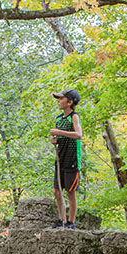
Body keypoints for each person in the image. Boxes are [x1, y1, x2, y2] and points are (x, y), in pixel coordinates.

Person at [49, 89, 83, 229]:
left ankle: (71, 221)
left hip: (72, 159)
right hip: (60, 158)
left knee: (70, 191)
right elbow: (60, 138)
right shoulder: (58, 118)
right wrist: (54, 140)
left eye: (61, 99)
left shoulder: (74, 117)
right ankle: (61, 219)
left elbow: (78, 134)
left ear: (69, 102)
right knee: (57, 191)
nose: (58, 101)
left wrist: (59, 132)